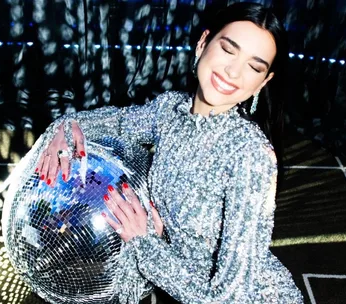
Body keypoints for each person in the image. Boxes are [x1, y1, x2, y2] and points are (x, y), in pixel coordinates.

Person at [32, 2, 303, 303]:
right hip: (177, 281)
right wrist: (65, 129)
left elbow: (229, 296)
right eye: (228, 49)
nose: (233, 71)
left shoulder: (250, 155)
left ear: (262, 83)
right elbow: (118, 122)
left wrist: (145, 243)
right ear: (203, 43)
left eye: (254, 67)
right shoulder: (169, 110)